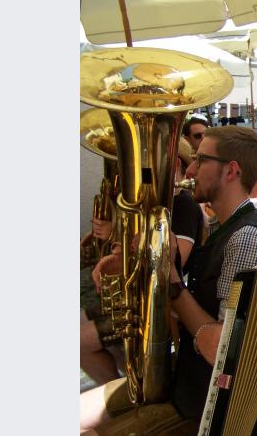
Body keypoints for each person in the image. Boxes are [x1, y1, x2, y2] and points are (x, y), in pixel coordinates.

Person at [80, 126, 257, 435]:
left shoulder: (247, 237)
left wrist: (171, 280)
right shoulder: (221, 227)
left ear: (231, 170)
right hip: (183, 382)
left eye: (201, 160)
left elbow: (222, 347)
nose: (190, 168)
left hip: (204, 406)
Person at [80, 138, 204, 386]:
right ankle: (117, 392)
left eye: (144, 167)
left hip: (157, 308)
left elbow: (171, 261)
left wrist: (115, 234)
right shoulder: (150, 206)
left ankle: (117, 399)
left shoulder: (183, 205)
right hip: (139, 299)